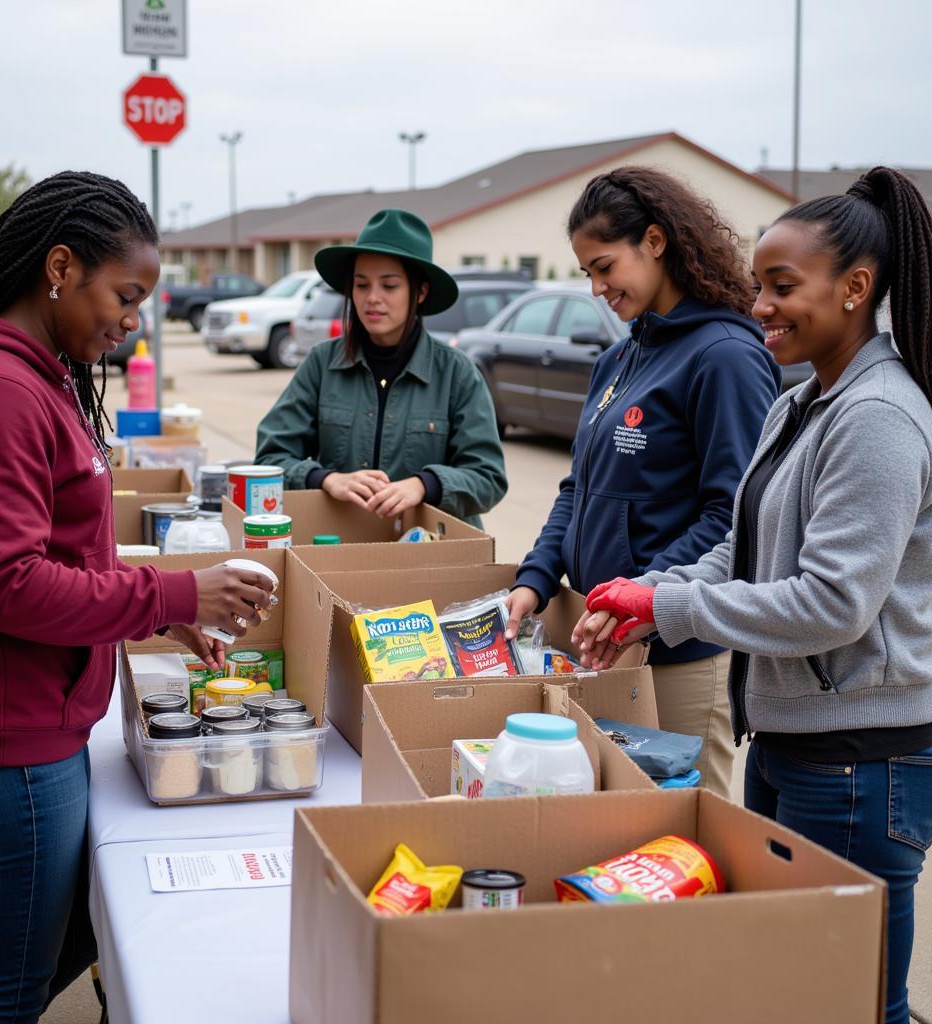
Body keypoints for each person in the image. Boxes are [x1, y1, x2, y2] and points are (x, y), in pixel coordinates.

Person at [0, 170, 275, 1023]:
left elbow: (56, 552)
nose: (132, 322)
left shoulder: (29, 372)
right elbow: (9, 585)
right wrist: (173, 595)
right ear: (61, 267)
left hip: (15, 721)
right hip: (4, 741)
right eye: (127, 294)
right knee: (4, 995)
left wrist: (167, 613)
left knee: (59, 947)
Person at [579, 166, 932, 1024]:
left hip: (861, 757)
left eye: (782, 288)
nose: (761, 307)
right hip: (788, 739)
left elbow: (832, 604)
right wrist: (645, 591)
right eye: (758, 287)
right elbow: (738, 553)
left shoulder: (878, 416)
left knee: (848, 998)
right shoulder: (800, 403)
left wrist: (671, 609)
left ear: (856, 289)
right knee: (789, 988)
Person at [505, 167, 780, 797]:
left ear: (655, 242)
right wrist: (537, 579)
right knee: (622, 833)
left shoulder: (725, 357)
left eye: (605, 267)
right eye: (587, 274)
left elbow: (734, 516)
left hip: (680, 652)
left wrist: (644, 597)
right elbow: (577, 488)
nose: (597, 289)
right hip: (608, 640)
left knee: (682, 832)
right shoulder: (618, 358)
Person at [255, 209, 507, 527]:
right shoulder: (321, 364)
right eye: (361, 286)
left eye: (389, 286)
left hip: (433, 554)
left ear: (421, 292)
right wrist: (326, 479)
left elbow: (488, 477)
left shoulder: (457, 372)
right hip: (339, 546)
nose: (372, 298)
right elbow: (269, 460)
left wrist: (424, 485)